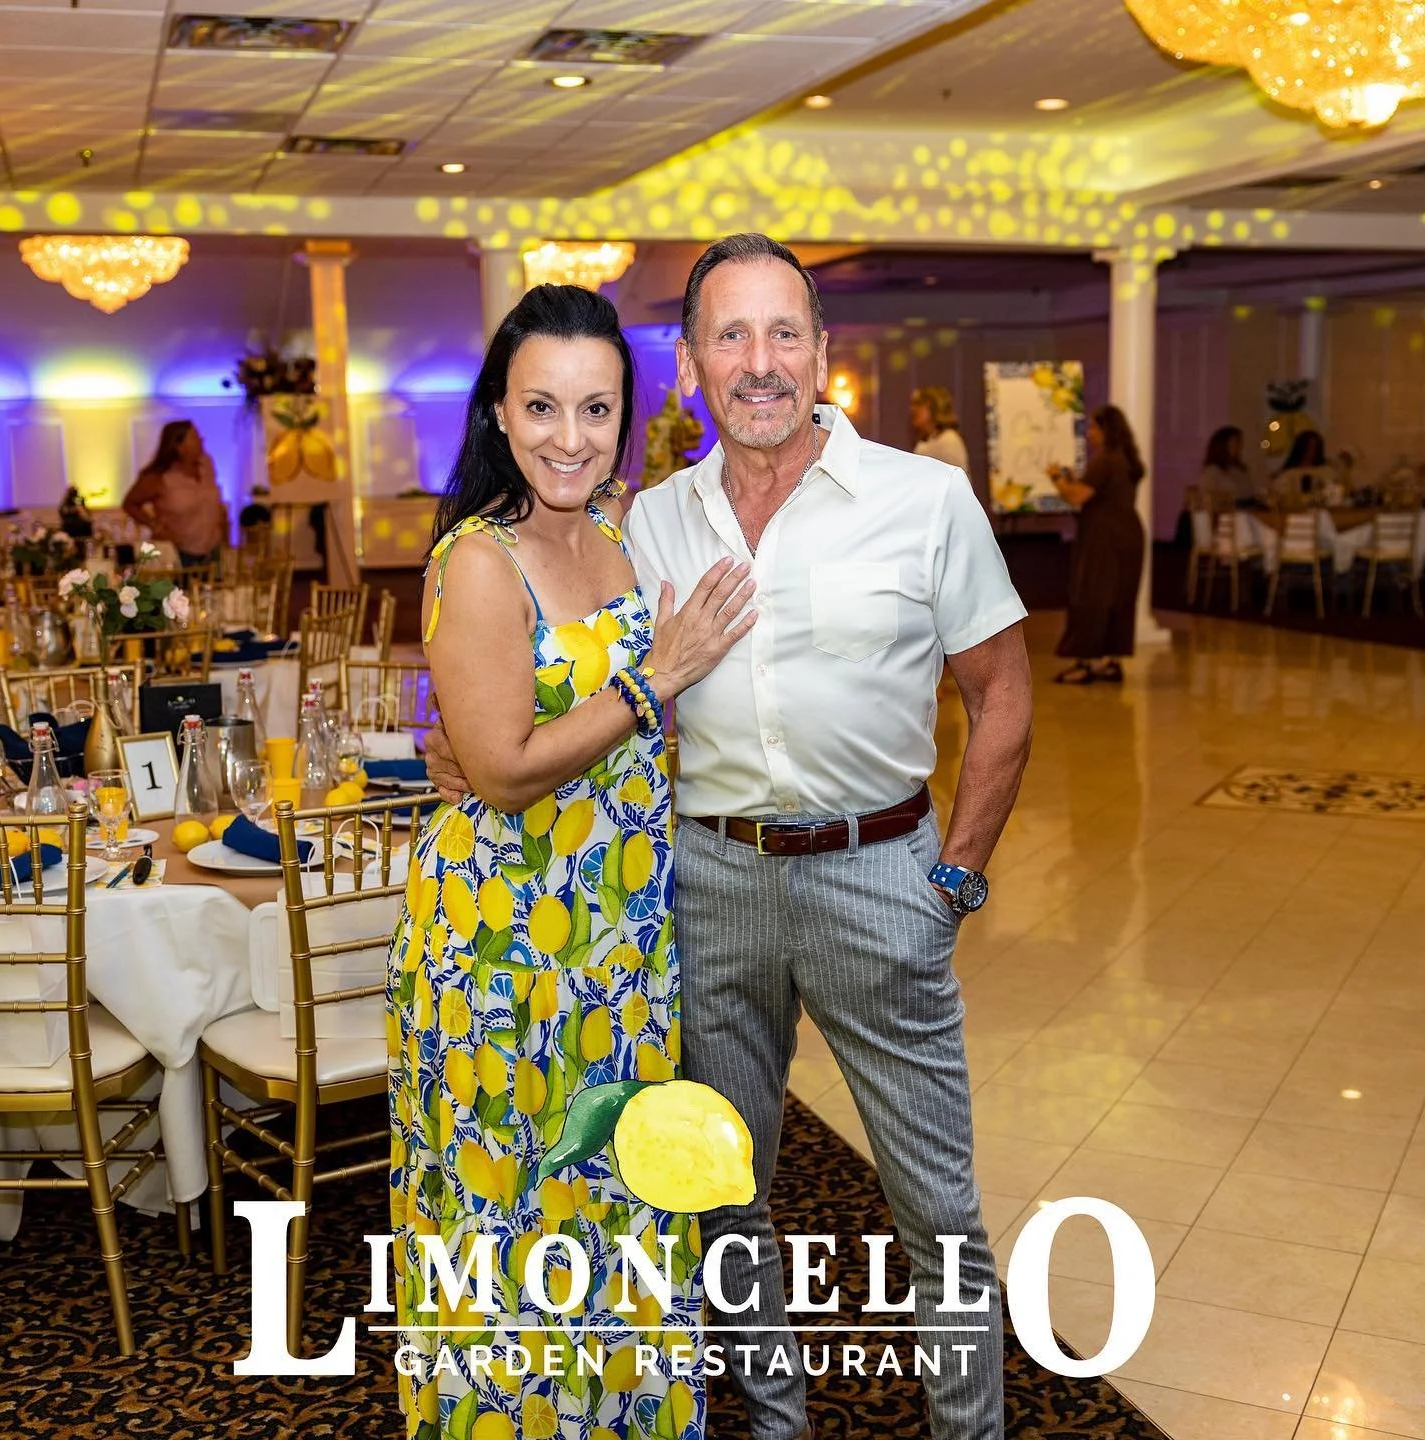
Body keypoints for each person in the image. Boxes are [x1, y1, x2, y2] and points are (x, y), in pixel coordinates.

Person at [427, 233, 1034, 1440]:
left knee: (937, 1207)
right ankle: (772, 1420)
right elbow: (543, 673)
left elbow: (1003, 693)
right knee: (721, 1183)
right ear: (693, 360)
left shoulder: (926, 500)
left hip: (880, 875)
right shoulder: (646, 520)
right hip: (703, 886)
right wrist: (463, 749)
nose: (759, 363)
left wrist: (953, 876)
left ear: (822, 351)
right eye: (730, 335)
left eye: (783, 332)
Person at [389, 283, 756, 1440]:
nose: (569, 437)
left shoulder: (617, 537)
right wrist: (658, 676)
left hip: (614, 950)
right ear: (499, 412)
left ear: (624, 419)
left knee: (617, 1210)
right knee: (515, 1227)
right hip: (502, 959)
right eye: (542, 407)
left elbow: (621, 740)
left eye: (595, 411)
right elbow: (500, 768)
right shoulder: (479, 559)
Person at [1049, 405, 1146, 685]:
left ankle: (1086, 663)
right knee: (1118, 597)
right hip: (1127, 535)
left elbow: (1077, 496)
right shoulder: (1125, 459)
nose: (1089, 433)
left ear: (1106, 431)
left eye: (1093, 427)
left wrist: (1056, 478)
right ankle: (1111, 660)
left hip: (1105, 539)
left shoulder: (1105, 460)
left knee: (1092, 595)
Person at [122, 420, 227, 567]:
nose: (201, 440)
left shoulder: (206, 464)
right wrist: (155, 526)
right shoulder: (159, 477)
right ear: (179, 446)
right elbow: (130, 503)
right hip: (180, 552)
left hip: (213, 550)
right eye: (194, 437)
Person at [910, 384, 970, 475]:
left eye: (919, 404)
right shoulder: (925, 442)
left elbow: (956, 481)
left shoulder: (949, 440)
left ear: (934, 406)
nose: (913, 409)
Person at [1271, 428, 1334, 505]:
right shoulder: (1288, 474)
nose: (1311, 452)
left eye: (1314, 448)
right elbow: (1279, 496)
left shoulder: (1326, 472)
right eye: (1309, 447)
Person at [1199, 425, 1254, 506]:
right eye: (1237, 442)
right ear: (1224, 445)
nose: (1240, 446)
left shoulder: (1240, 469)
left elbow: (1249, 494)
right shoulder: (1213, 471)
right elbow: (1207, 499)